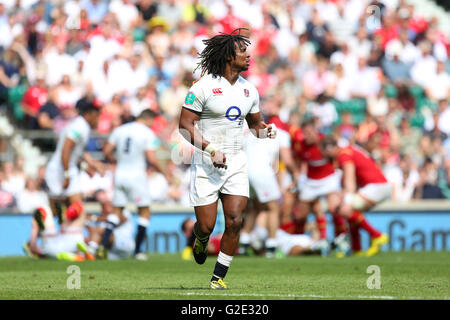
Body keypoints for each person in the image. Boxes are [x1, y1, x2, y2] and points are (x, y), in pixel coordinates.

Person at [178, 29, 277, 290]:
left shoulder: (249, 90)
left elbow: (255, 126)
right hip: (206, 164)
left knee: (235, 220)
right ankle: (199, 239)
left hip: (235, 163)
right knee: (207, 225)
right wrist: (211, 150)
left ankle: (218, 276)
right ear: (227, 56)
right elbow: (185, 125)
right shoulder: (203, 87)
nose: (249, 55)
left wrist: (267, 130)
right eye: (243, 51)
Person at [100, 109, 169, 260]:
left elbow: (106, 151)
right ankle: (138, 251)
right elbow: (151, 158)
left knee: (116, 212)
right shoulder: (146, 132)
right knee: (144, 211)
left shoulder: (120, 130)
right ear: (149, 119)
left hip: (120, 174)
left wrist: (116, 161)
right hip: (137, 175)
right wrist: (163, 172)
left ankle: (102, 246)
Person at [320, 137, 390, 257]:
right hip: (377, 186)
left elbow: (349, 179)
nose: (325, 157)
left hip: (376, 187)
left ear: (330, 149)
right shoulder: (348, 151)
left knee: (345, 209)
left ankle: (377, 235)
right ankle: (357, 250)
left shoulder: (343, 155)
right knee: (351, 213)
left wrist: (346, 198)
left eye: (325, 153)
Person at [240, 124, 297, 258]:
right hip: (261, 172)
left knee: (254, 208)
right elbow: (287, 161)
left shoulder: (250, 133)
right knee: (273, 208)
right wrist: (296, 175)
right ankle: (271, 246)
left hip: (245, 172)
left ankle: (244, 243)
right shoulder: (283, 134)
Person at [44, 101, 103, 227]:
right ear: (88, 114)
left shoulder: (83, 127)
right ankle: (35, 235)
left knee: (77, 207)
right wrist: (66, 174)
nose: (98, 120)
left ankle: (78, 238)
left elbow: (77, 152)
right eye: (97, 116)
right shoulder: (79, 127)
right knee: (54, 210)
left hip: (69, 169)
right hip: (59, 170)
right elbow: (66, 149)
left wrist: (87, 167)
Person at [295, 118, 346, 255]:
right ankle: (299, 242)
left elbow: (338, 156)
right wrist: (298, 179)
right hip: (311, 182)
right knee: (301, 214)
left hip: (328, 178)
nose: (308, 135)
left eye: (310, 132)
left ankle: (342, 240)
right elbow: (300, 162)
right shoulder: (301, 145)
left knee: (334, 208)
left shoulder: (325, 141)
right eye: (305, 133)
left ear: (315, 130)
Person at [24, 205, 93, 261]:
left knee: (54, 249)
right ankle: (81, 249)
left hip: (51, 248)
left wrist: (34, 249)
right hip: (63, 242)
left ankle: (74, 256)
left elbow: (34, 247)